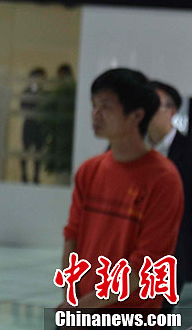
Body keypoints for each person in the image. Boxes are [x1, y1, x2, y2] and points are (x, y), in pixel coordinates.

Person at [58, 68, 183, 312]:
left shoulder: (164, 179)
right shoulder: (89, 171)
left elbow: (145, 264)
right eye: (94, 105)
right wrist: (73, 301)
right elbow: (72, 238)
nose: (96, 114)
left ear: (136, 115)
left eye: (106, 106)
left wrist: (83, 307)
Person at [148, 80, 191, 312]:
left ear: (172, 111)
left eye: (153, 105)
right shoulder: (128, 150)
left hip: (174, 259)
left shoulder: (187, 151)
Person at [20, 67, 47, 183]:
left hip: (40, 126)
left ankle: (36, 177)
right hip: (29, 124)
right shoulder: (26, 92)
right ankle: (24, 176)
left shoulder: (44, 92)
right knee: (26, 151)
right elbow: (23, 107)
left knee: (38, 152)